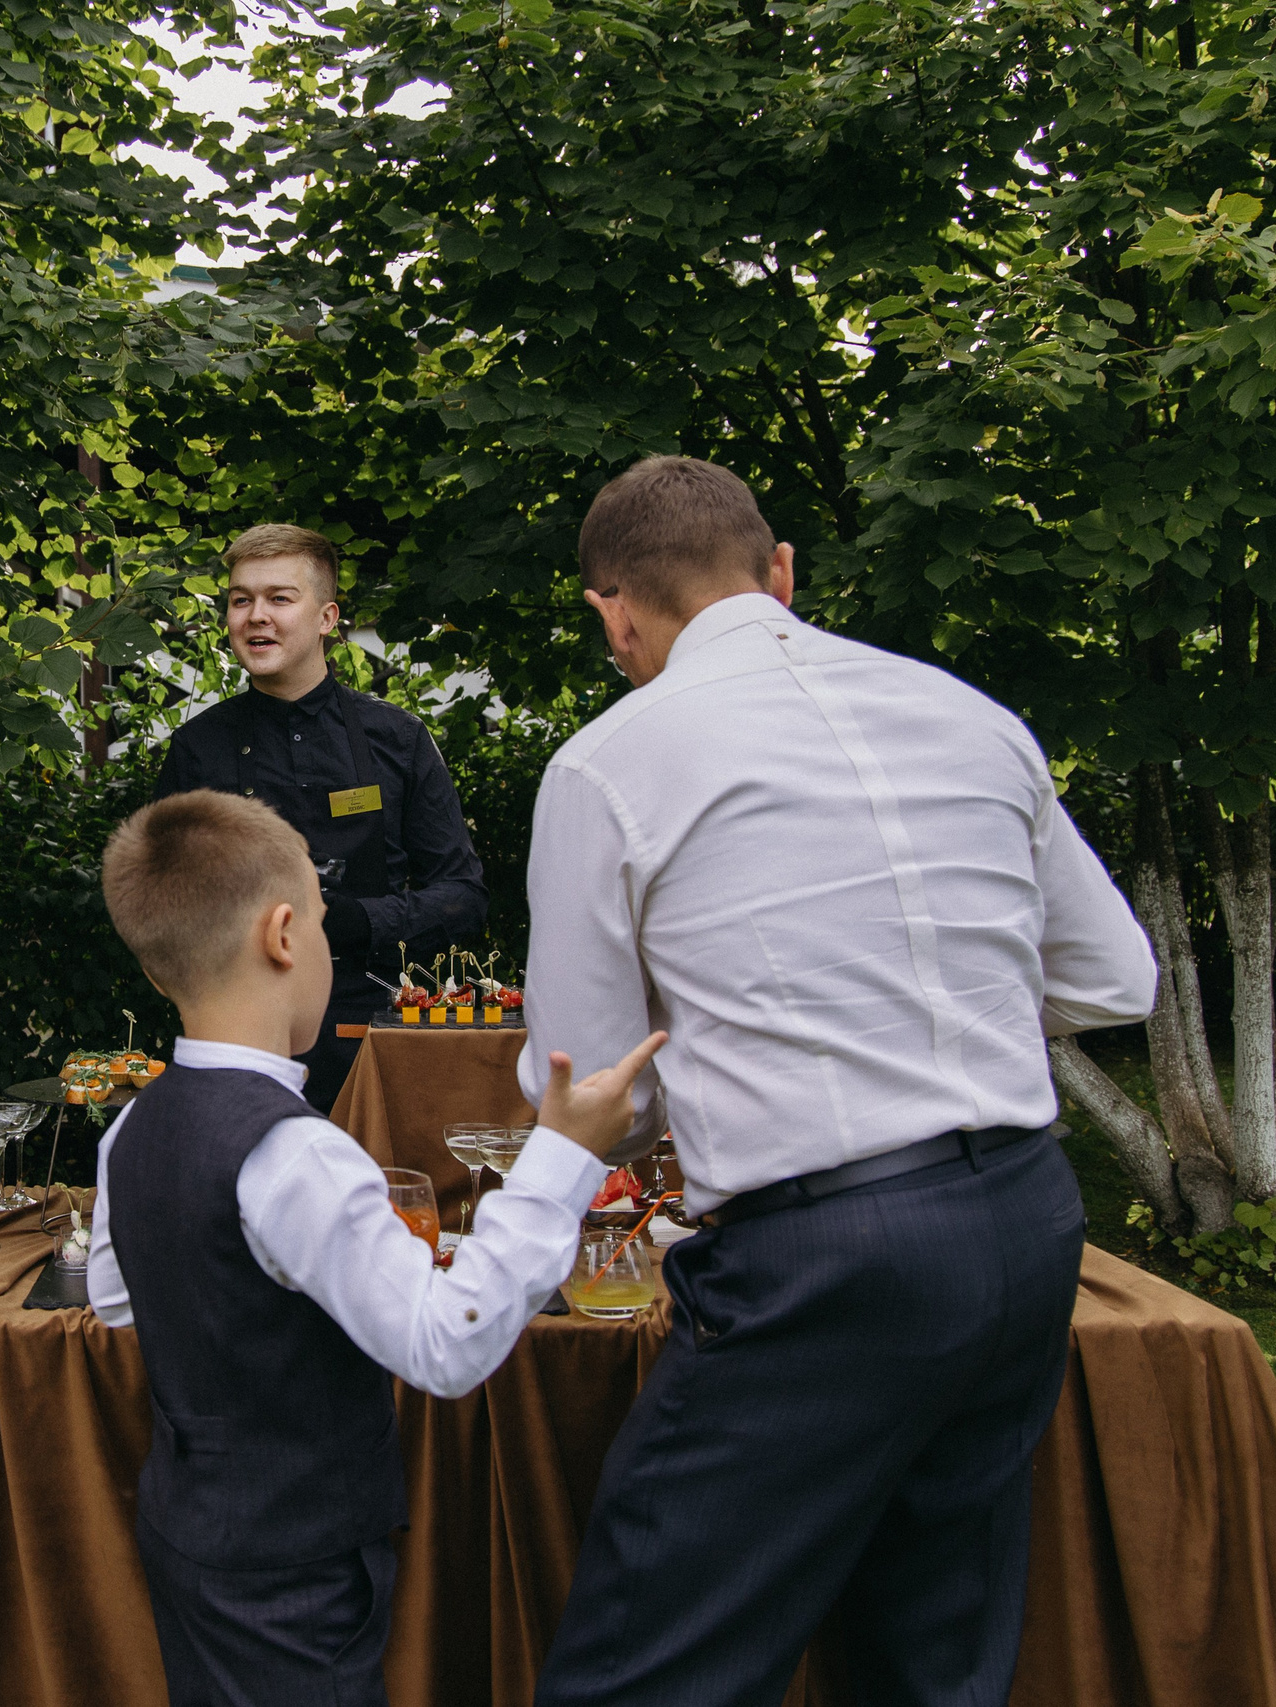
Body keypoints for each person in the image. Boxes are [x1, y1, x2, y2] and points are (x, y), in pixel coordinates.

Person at [520, 457, 1158, 1707]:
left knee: (647, 1669)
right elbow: (1113, 979)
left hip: (826, 1260)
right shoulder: (970, 714)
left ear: (612, 614)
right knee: (935, 1661)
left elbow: (597, 1094)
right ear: (780, 573)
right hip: (1026, 1216)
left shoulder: (606, 764)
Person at [87, 788, 666, 1707]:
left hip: (189, 1535)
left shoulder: (131, 1128)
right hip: (295, 1567)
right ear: (285, 935)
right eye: (324, 922)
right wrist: (564, 1154)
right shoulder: (295, 1152)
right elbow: (448, 1340)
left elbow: (118, 1296)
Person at [152, 524, 487, 1111]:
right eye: (240, 600)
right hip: (238, 1037)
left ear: (328, 618)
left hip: (374, 1030)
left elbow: (464, 897)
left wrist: (363, 919)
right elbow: (158, 907)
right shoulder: (196, 750)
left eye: (280, 598)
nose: (256, 616)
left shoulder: (398, 739)